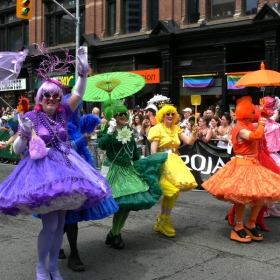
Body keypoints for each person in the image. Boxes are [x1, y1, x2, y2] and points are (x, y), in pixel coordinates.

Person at [0, 47, 114, 280]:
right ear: (39, 98)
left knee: (60, 224)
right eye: (47, 95)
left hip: (66, 168)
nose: (52, 99)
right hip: (42, 172)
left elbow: (80, 94)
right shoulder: (31, 116)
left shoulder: (63, 113)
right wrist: (25, 134)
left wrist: (82, 70)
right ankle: (41, 267)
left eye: (56, 95)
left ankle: (53, 267)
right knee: (50, 226)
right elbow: (18, 151)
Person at [202, 96, 280, 243]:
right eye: (251, 112)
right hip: (242, 166)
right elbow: (256, 136)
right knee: (242, 198)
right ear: (245, 113)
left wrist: (265, 111)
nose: (253, 114)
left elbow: (263, 125)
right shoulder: (239, 128)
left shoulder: (249, 125)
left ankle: (250, 223)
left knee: (259, 196)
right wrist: (262, 119)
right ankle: (238, 227)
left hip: (253, 165)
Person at [98, 99, 167, 249]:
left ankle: (114, 233)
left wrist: (141, 160)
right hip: (113, 169)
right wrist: (110, 130)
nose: (123, 115)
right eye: (119, 113)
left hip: (128, 169)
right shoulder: (108, 129)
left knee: (128, 203)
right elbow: (102, 144)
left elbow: (132, 151)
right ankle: (115, 234)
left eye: (124, 113)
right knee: (121, 204)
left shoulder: (128, 130)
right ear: (112, 115)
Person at [148, 105, 198, 238]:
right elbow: (153, 151)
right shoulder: (157, 129)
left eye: (172, 114)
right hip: (163, 161)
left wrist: (194, 133)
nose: (170, 116)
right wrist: (157, 165)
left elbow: (189, 141)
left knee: (171, 193)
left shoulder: (176, 128)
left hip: (175, 161)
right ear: (162, 116)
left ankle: (162, 220)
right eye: (167, 114)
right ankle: (165, 220)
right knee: (172, 191)